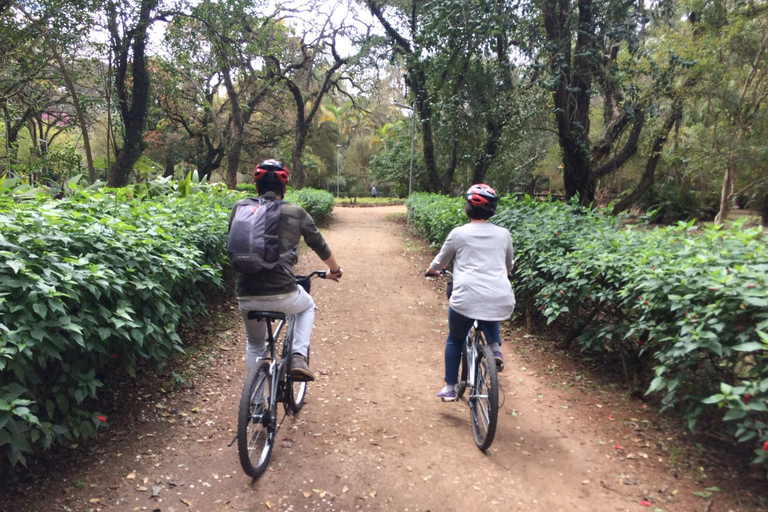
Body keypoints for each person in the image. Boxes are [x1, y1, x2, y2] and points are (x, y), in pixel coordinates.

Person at [230, 159, 342, 381]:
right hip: (282, 292)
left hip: (246, 293)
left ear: (255, 187)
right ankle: (298, 356)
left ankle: (257, 404)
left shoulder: (239, 208)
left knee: (255, 343)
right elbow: (319, 245)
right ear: (284, 188)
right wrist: (335, 270)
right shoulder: (295, 212)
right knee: (306, 306)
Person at [425, 184, 515, 401]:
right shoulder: (504, 234)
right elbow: (508, 265)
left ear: (467, 208)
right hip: (500, 297)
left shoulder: (459, 234)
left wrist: (431, 271)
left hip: (466, 298)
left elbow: (440, 261)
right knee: (488, 307)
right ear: (492, 210)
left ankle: (449, 386)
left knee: (455, 339)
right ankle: (494, 349)